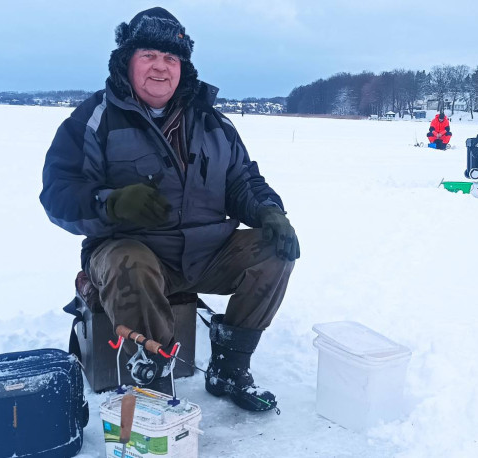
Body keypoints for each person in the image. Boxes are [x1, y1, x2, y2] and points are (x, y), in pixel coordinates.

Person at [40, 7, 297, 413]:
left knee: (274, 252)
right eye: (149, 56)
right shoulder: (92, 121)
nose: (161, 67)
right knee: (132, 262)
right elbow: (57, 196)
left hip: (206, 252)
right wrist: (112, 203)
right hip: (127, 251)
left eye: (171, 58)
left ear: (183, 67)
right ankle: (152, 387)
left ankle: (229, 369)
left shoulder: (215, 124)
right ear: (127, 61)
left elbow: (244, 182)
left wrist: (269, 211)